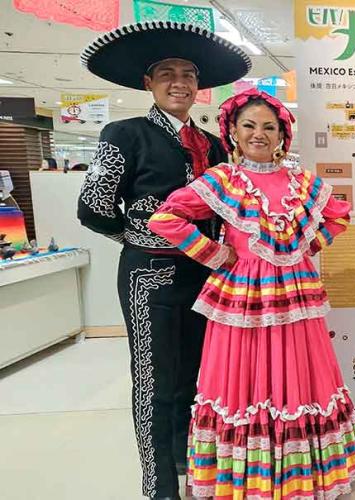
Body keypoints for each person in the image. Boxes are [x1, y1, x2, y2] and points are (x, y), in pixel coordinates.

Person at [148, 89, 355, 499]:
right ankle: (250, 481)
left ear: (283, 134)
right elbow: (166, 217)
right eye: (249, 125)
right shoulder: (223, 180)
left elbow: (339, 215)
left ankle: (300, 477)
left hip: (295, 297)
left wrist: (305, 247)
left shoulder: (301, 181)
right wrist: (213, 253)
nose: (259, 134)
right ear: (233, 131)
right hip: (243, 298)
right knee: (242, 380)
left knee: (300, 379)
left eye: (269, 127)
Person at [76, 21, 250, 499]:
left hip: (208, 277)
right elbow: (92, 207)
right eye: (168, 73)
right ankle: (158, 487)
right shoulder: (124, 134)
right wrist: (145, 239)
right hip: (149, 277)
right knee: (155, 382)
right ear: (147, 83)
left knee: (198, 379)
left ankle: (189, 467)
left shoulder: (215, 145)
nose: (180, 83)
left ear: (200, 86)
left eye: (189, 74)